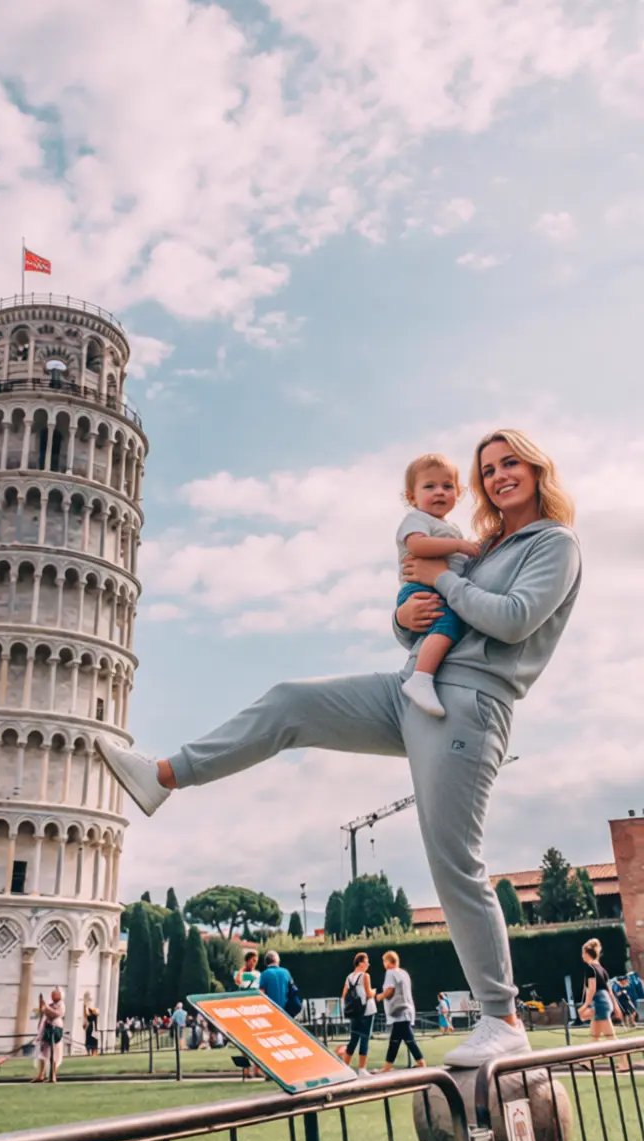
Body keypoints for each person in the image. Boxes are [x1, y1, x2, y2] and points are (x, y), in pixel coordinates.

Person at [95, 429, 580, 1068]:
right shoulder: (484, 543)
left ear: (536, 468)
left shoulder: (554, 544)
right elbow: (436, 608)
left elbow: (514, 618)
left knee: (453, 858)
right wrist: (404, 618)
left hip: (469, 703)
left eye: (509, 463)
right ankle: (165, 774)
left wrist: (449, 583)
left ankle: (502, 1017)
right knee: (293, 700)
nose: (497, 476)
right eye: (487, 468)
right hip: (414, 685)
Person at [396, 454, 480, 717]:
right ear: (412, 497)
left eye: (447, 486)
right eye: (429, 487)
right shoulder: (418, 519)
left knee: (448, 626)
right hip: (421, 588)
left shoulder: (449, 527)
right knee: (447, 625)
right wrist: (458, 545)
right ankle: (421, 678)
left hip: (438, 586)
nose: (439, 492)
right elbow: (417, 545)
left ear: (459, 492)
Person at [375, 951, 425, 1071]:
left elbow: (390, 991)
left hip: (398, 1011)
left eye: (384, 961)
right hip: (407, 1009)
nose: (383, 964)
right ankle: (388, 1066)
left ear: (388, 962)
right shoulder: (403, 973)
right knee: (397, 1040)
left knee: (406, 1040)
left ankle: (421, 1063)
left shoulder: (390, 973)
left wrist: (379, 996)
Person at [337, 952, 377, 1076]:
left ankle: (345, 1068)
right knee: (365, 1038)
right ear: (360, 963)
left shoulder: (349, 977)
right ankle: (362, 1069)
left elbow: (344, 995)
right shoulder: (365, 976)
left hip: (355, 1012)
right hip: (367, 1010)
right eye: (366, 962)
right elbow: (369, 994)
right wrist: (375, 991)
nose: (368, 964)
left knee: (353, 1040)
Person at [579, 939, 624, 1045]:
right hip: (605, 1002)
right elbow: (610, 992)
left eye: (583, 953)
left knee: (611, 1037)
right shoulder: (602, 969)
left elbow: (592, 989)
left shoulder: (590, 968)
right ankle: (589, 1062)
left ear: (587, 953)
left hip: (599, 1004)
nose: (582, 956)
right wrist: (616, 1007)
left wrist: (585, 1006)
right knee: (595, 1038)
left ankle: (624, 1061)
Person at [34, 989, 65, 1082]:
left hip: (54, 1030)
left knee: (54, 1054)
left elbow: (56, 1014)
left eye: (54, 994)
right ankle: (41, 1074)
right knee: (43, 1053)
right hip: (47, 1030)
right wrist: (42, 1005)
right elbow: (44, 1012)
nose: (52, 996)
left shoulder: (61, 1005)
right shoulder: (51, 1005)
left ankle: (53, 1075)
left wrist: (45, 1007)